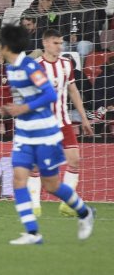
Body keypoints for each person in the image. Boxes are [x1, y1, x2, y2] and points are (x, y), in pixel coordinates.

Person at [0, 24, 94, 245]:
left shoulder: (30, 66)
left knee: (51, 185)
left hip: (45, 133)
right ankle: (33, 233)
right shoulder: (10, 69)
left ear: (6, 46)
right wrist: (9, 108)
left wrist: (22, 109)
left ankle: (85, 212)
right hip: (24, 133)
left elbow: (49, 94)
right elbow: (25, 98)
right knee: (19, 180)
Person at [31, 29, 95, 217]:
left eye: (61, 43)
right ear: (45, 43)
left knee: (74, 160)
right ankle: (34, 206)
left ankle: (67, 204)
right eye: (56, 43)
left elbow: (73, 91)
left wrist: (83, 118)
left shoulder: (66, 64)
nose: (60, 47)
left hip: (63, 121)